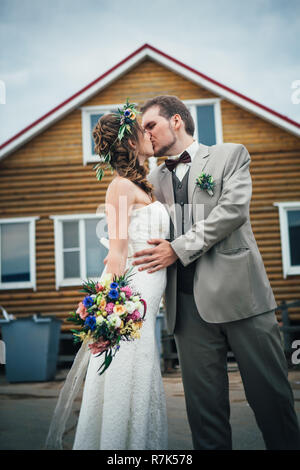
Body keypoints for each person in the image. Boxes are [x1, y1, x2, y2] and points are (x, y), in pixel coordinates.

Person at [131, 95, 300, 450]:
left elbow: (232, 211)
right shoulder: (151, 180)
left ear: (176, 121)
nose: (145, 134)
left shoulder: (231, 155)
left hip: (243, 300)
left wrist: (177, 249)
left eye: (150, 125)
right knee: (205, 418)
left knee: (273, 403)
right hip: (185, 310)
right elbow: (137, 229)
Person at [45, 104, 169, 450]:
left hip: (148, 295)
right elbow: (116, 253)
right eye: (142, 131)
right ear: (130, 143)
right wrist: (108, 311)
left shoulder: (141, 186)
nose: (148, 134)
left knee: (140, 374)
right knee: (125, 376)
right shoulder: (119, 187)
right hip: (131, 297)